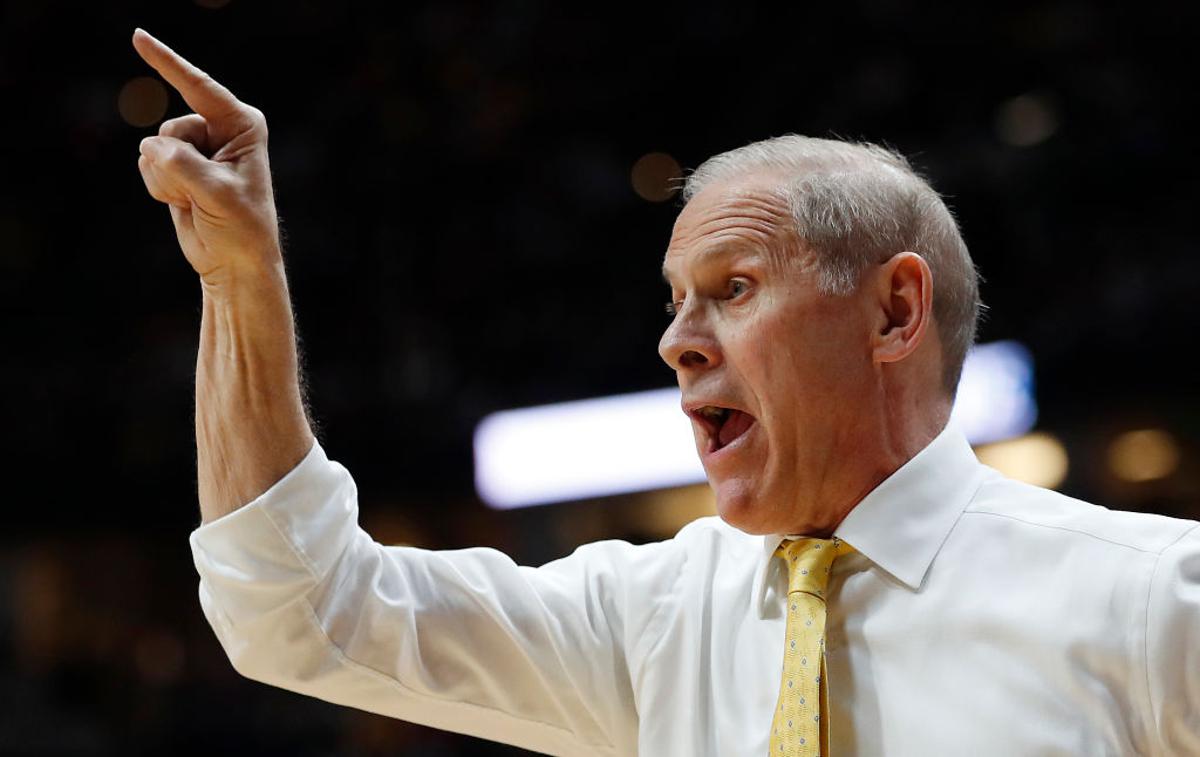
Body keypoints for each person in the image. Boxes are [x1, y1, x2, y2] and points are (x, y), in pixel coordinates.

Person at [132, 28, 1199, 756]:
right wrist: (238, 283)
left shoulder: (1149, 600)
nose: (677, 343)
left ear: (893, 312)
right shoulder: (650, 617)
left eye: (732, 289)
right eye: (675, 301)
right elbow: (297, 610)